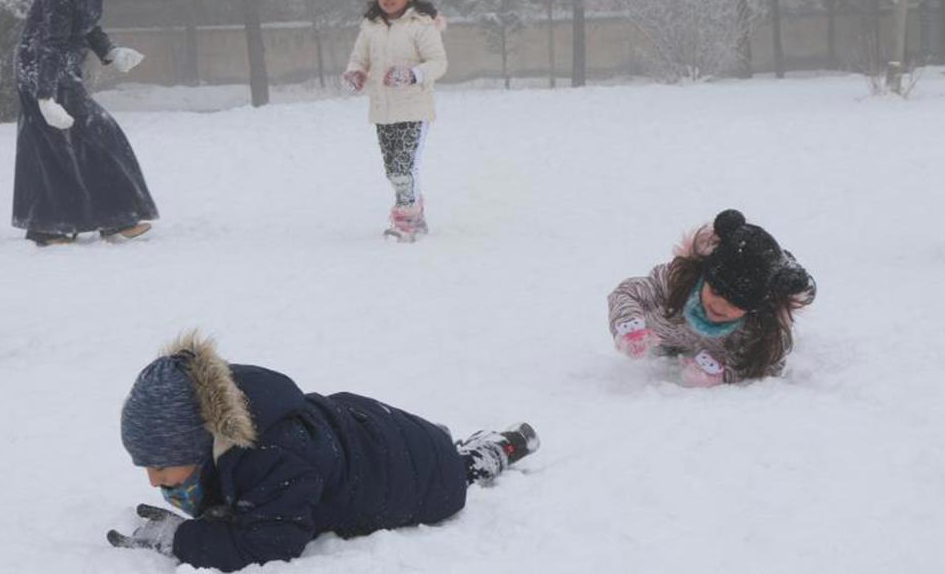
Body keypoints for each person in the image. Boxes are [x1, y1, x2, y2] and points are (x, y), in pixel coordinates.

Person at [111, 332, 539, 571]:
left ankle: (492, 452)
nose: (153, 480)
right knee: (430, 448)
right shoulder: (234, 414)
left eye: (161, 465)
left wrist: (183, 539)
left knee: (452, 468)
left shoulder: (274, 455)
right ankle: (452, 445)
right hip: (371, 436)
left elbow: (273, 542)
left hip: (414, 478)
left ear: (199, 441)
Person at [12, 0, 158, 247]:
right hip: (41, 73)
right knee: (62, 144)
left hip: (63, 70)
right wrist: (45, 98)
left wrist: (110, 51)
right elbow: (50, 45)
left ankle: (108, 218)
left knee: (94, 137)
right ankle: (57, 225)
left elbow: (88, 28)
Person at [608, 209, 816, 386]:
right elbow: (629, 292)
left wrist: (721, 375)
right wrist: (629, 325)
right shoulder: (677, 283)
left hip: (711, 351)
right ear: (704, 277)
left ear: (752, 307)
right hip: (666, 339)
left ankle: (781, 268)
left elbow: (768, 363)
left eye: (735, 303)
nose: (719, 305)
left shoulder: (756, 329)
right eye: (716, 291)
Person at [342, 0, 448, 242]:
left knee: (404, 167)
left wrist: (412, 74)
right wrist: (356, 73)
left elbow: (438, 63)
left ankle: (407, 221)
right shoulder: (371, 26)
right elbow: (359, 58)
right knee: (393, 170)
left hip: (415, 110)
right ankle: (416, 212)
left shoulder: (421, 25)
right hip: (383, 110)